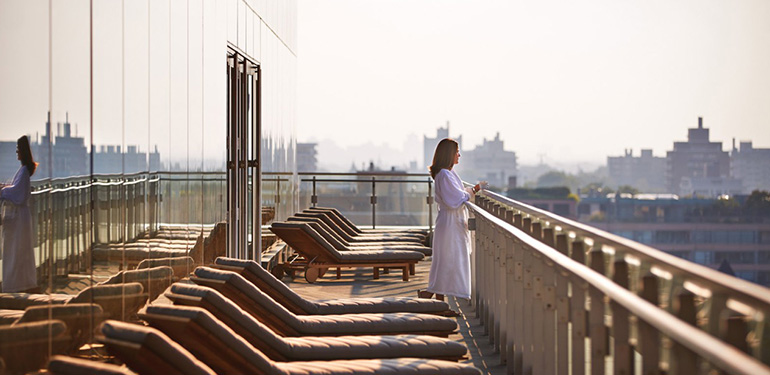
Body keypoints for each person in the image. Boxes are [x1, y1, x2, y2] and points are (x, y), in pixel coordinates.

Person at [420, 138, 482, 304]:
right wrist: (472, 191)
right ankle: (434, 298)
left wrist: (467, 192)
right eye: (457, 152)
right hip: (449, 224)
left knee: (445, 261)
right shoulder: (445, 175)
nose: (459, 155)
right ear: (449, 154)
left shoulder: (446, 173)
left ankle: (434, 298)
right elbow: (454, 199)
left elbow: (456, 195)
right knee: (447, 261)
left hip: (450, 222)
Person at [0, 135, 38, 292]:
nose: (16, 152)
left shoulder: (23, 172)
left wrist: (2, 190)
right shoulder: (23, 171)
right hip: (20, 218)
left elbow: (18, 194)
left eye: (18, 149)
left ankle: (16, 284)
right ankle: (20, 282)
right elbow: (16, 189)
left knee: (16, 252)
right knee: (19, 251)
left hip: (18, 220)